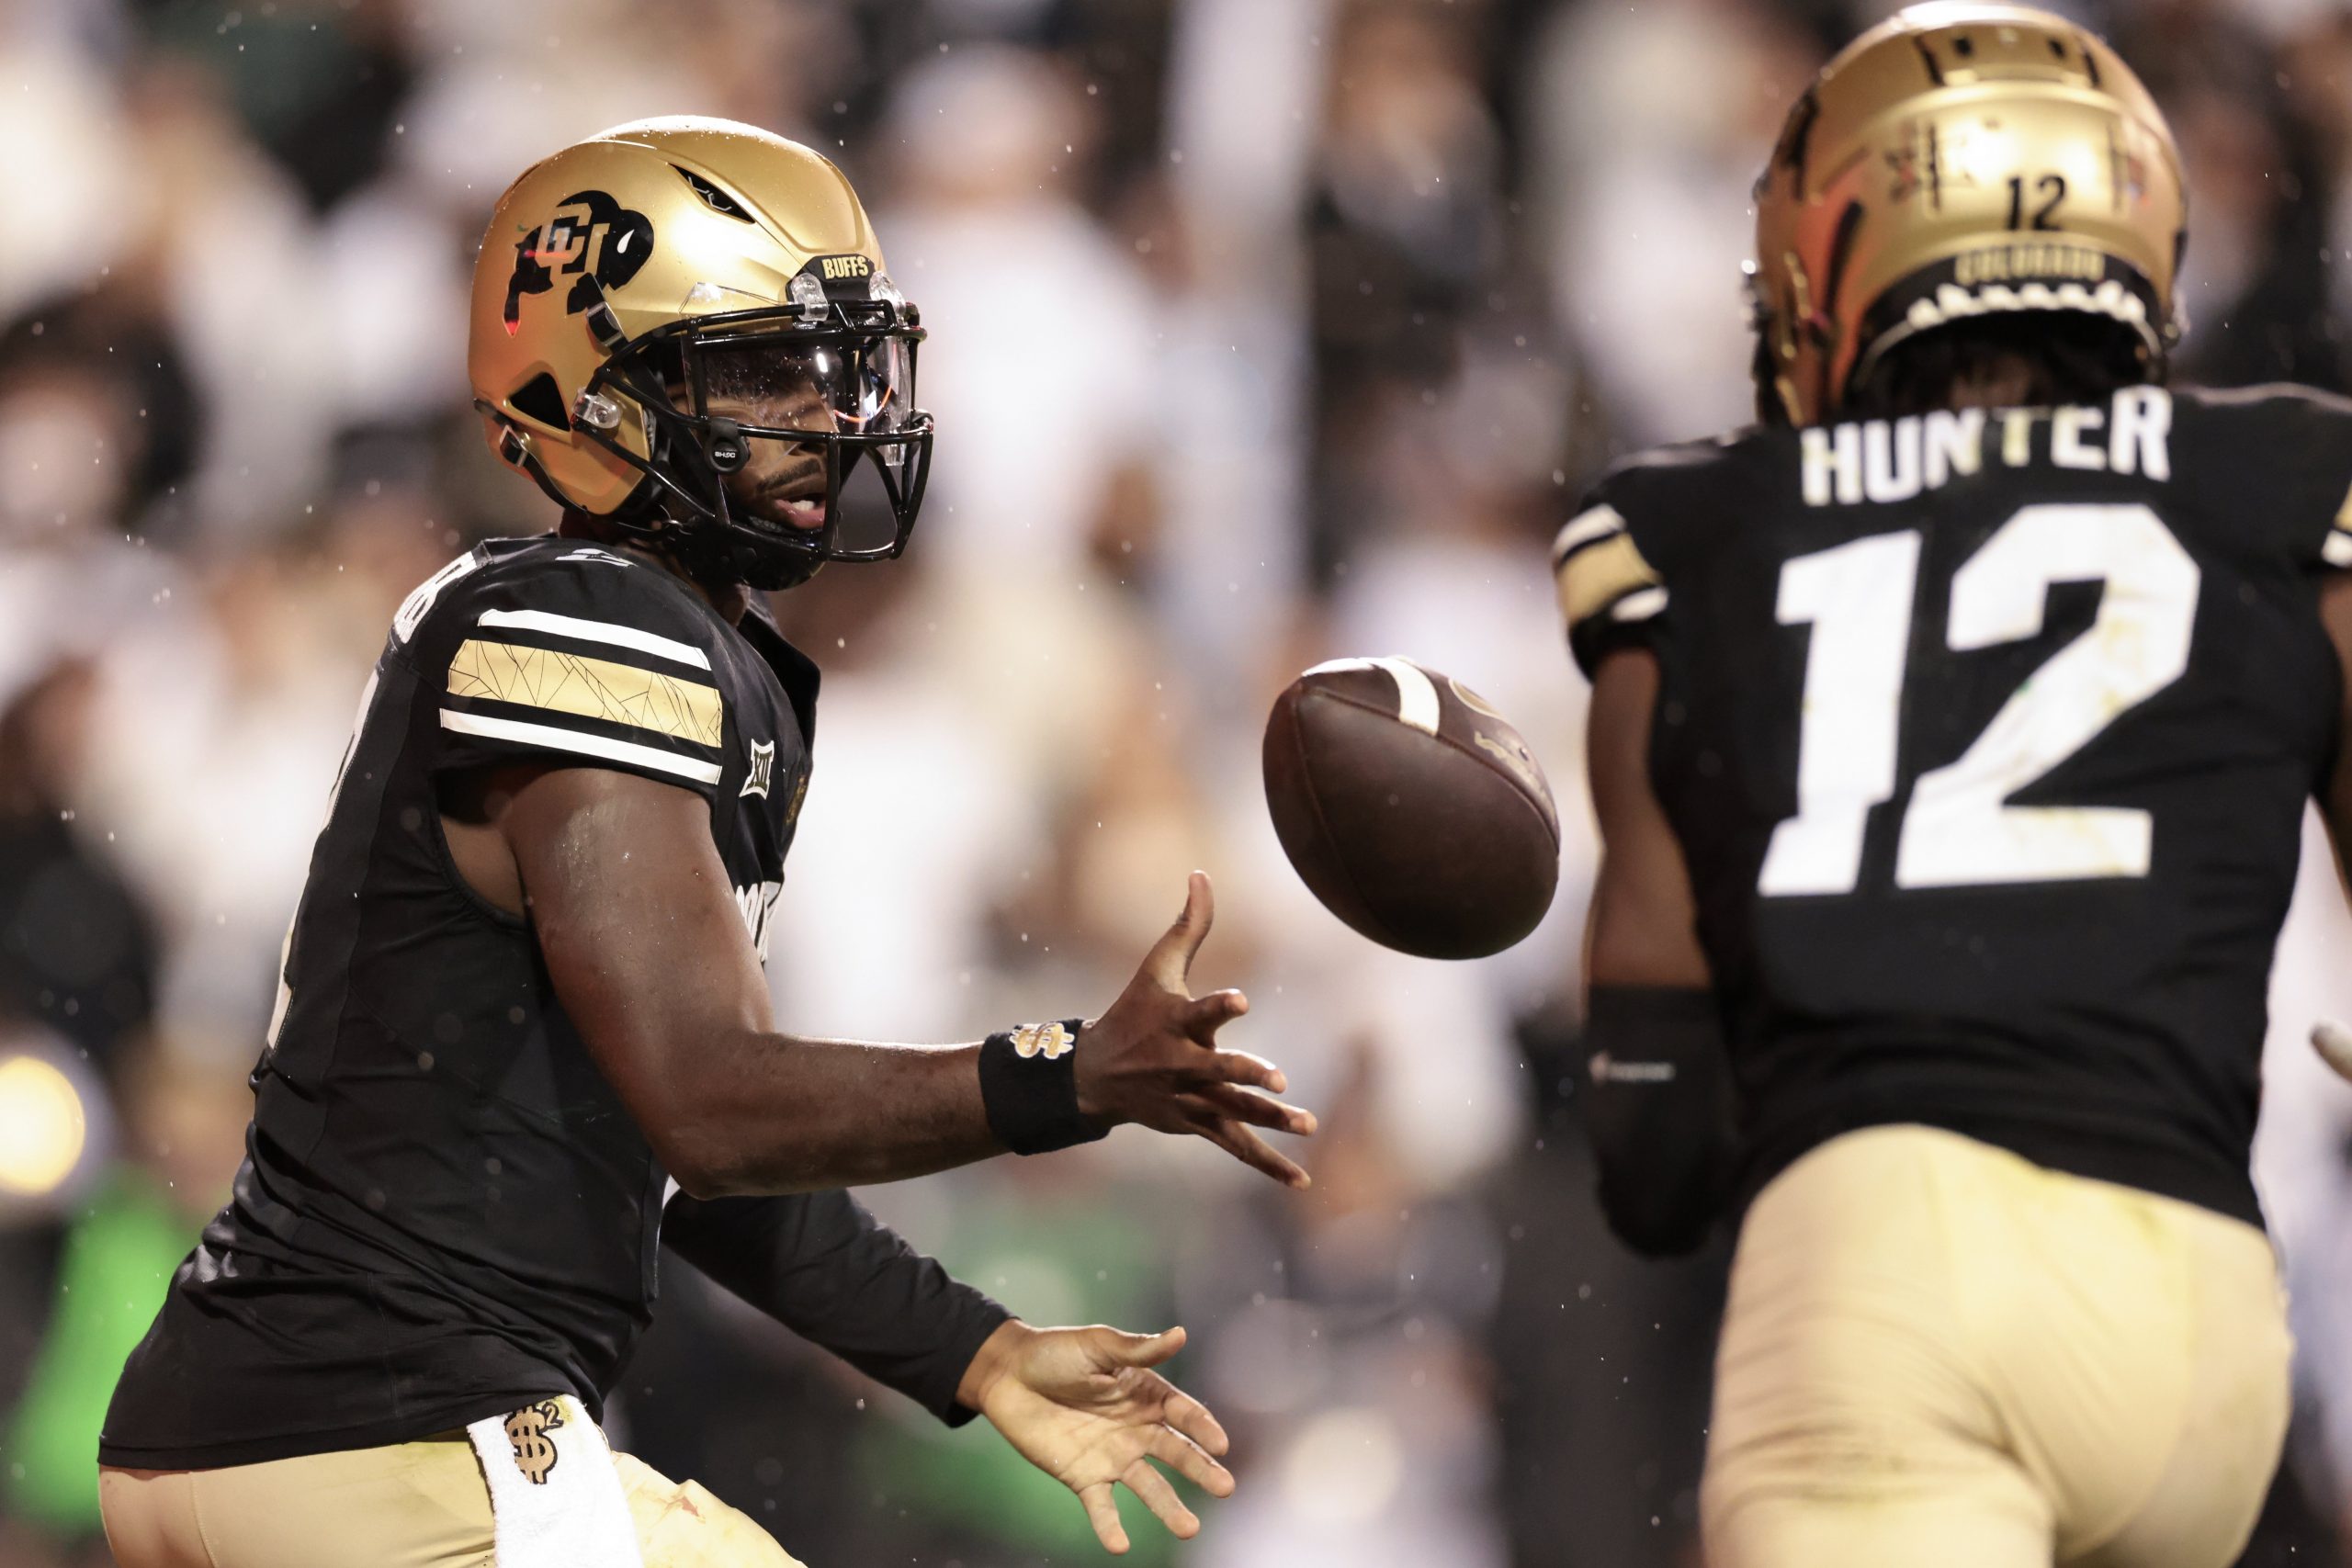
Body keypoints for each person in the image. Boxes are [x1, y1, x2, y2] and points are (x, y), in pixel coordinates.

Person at [94, 116, 1315, 1568]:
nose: (829, 413)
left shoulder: (634, 639)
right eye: (753, 369)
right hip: (390, 1439)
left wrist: (972, 1351)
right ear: (588, 392)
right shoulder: (587, 622)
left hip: (300, 1430)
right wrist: (1062, 1076)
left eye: (834, 364)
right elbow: (709, 1103)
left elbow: (677, 1158)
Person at [1557, 7, 2346, 1565]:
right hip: (2198, 1317)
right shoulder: (2292, 485)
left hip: (1889, 1289)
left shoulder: (1685, 540)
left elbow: (1652, 1154)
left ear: (1826, 260)